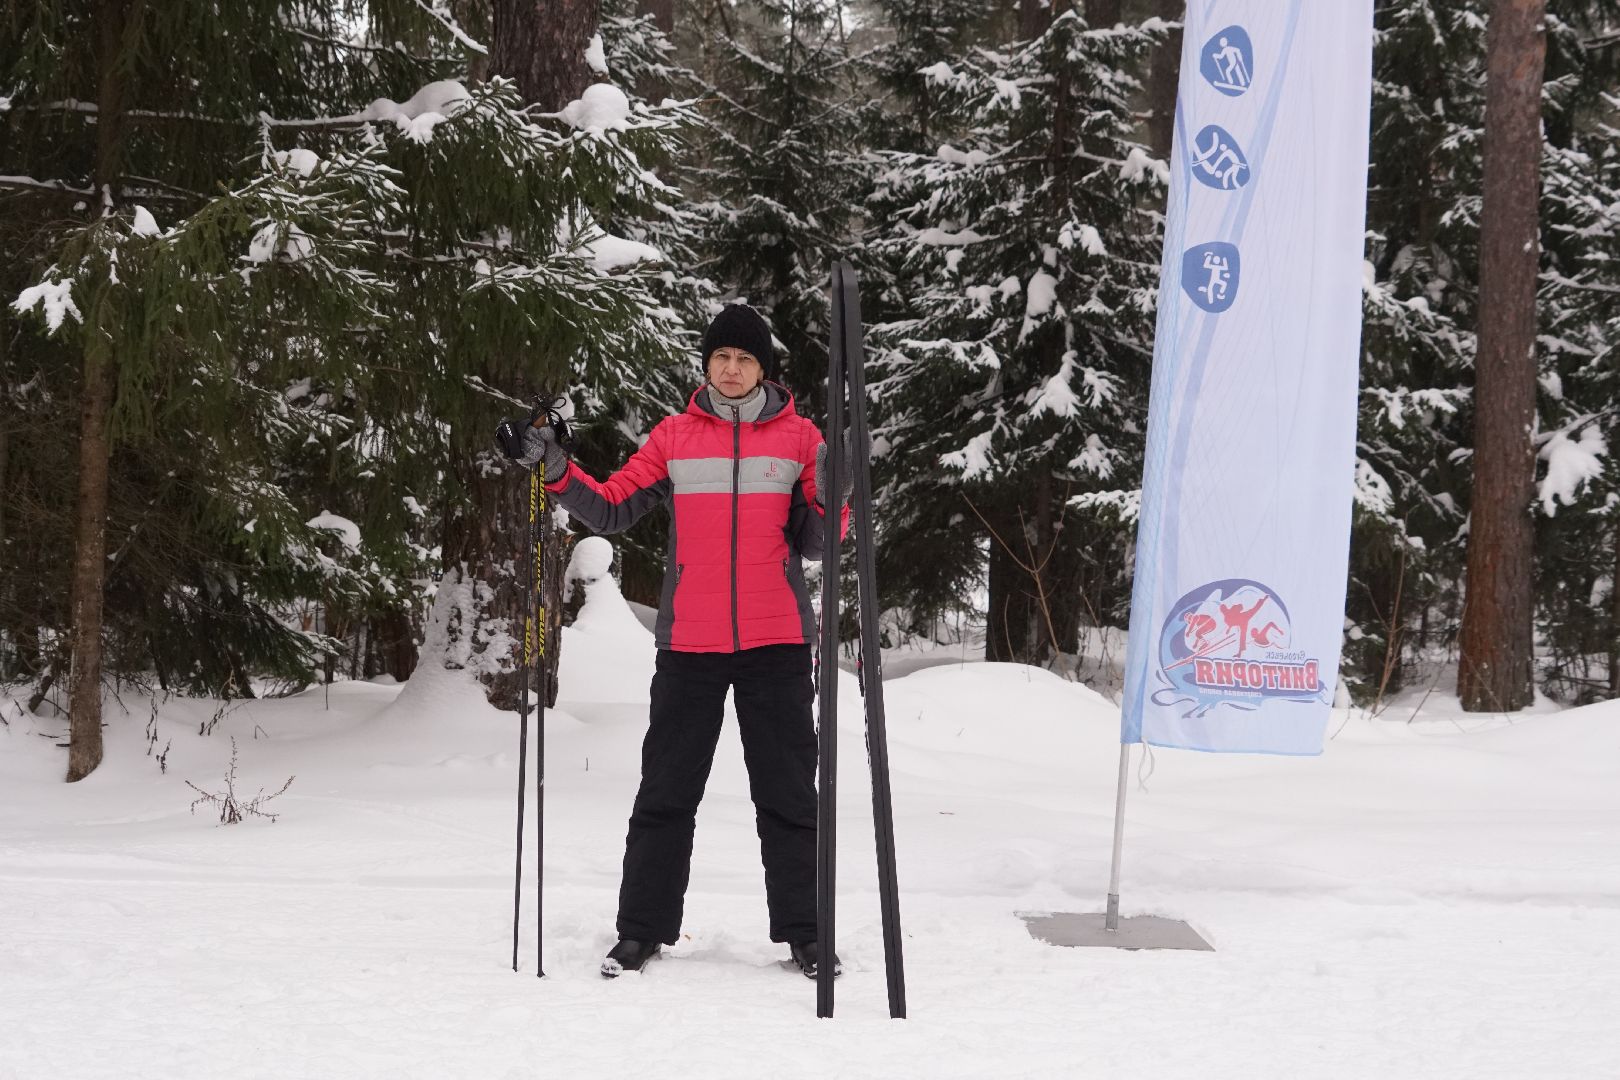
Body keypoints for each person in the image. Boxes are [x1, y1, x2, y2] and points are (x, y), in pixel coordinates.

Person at [506, 303, 850, 979]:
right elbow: (612, 506)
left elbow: (817, 545)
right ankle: (641, 931)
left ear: (763, 369)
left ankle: (807, 934)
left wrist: (836, 490)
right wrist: (553, 467)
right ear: (707, 364)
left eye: (744, 359)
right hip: (691, 643)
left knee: (788, 794)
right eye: (721, 357)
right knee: (665, 791)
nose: (731, 369)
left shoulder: (801, 438)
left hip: (777, 640)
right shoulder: (674, 437)